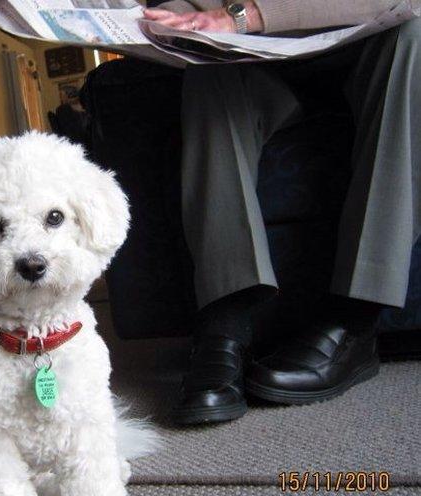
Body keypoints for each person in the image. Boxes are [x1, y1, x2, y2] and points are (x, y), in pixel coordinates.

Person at [142, 1, 421, 424]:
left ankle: (354, 322)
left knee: (416, 35)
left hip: (375, 52)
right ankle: (224, 326)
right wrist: (170, 19)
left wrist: (245, 14)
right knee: (205, 63)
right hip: (266, 68)